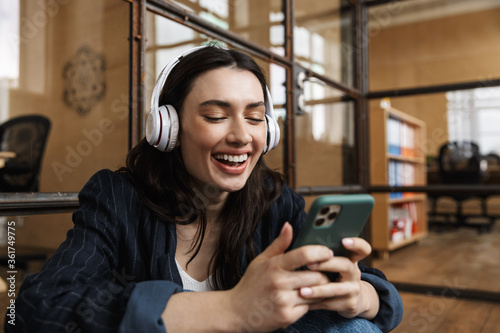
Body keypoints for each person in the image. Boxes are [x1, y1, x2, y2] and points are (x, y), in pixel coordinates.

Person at [9, 44, 403, 333]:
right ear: (168, 128)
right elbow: (36, 309)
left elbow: (381, 295)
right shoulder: (118, 198)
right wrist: (231, 308)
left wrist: (360, 296)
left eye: (255, 117)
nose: (241, 136)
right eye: (215, 116)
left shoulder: (274, 201)